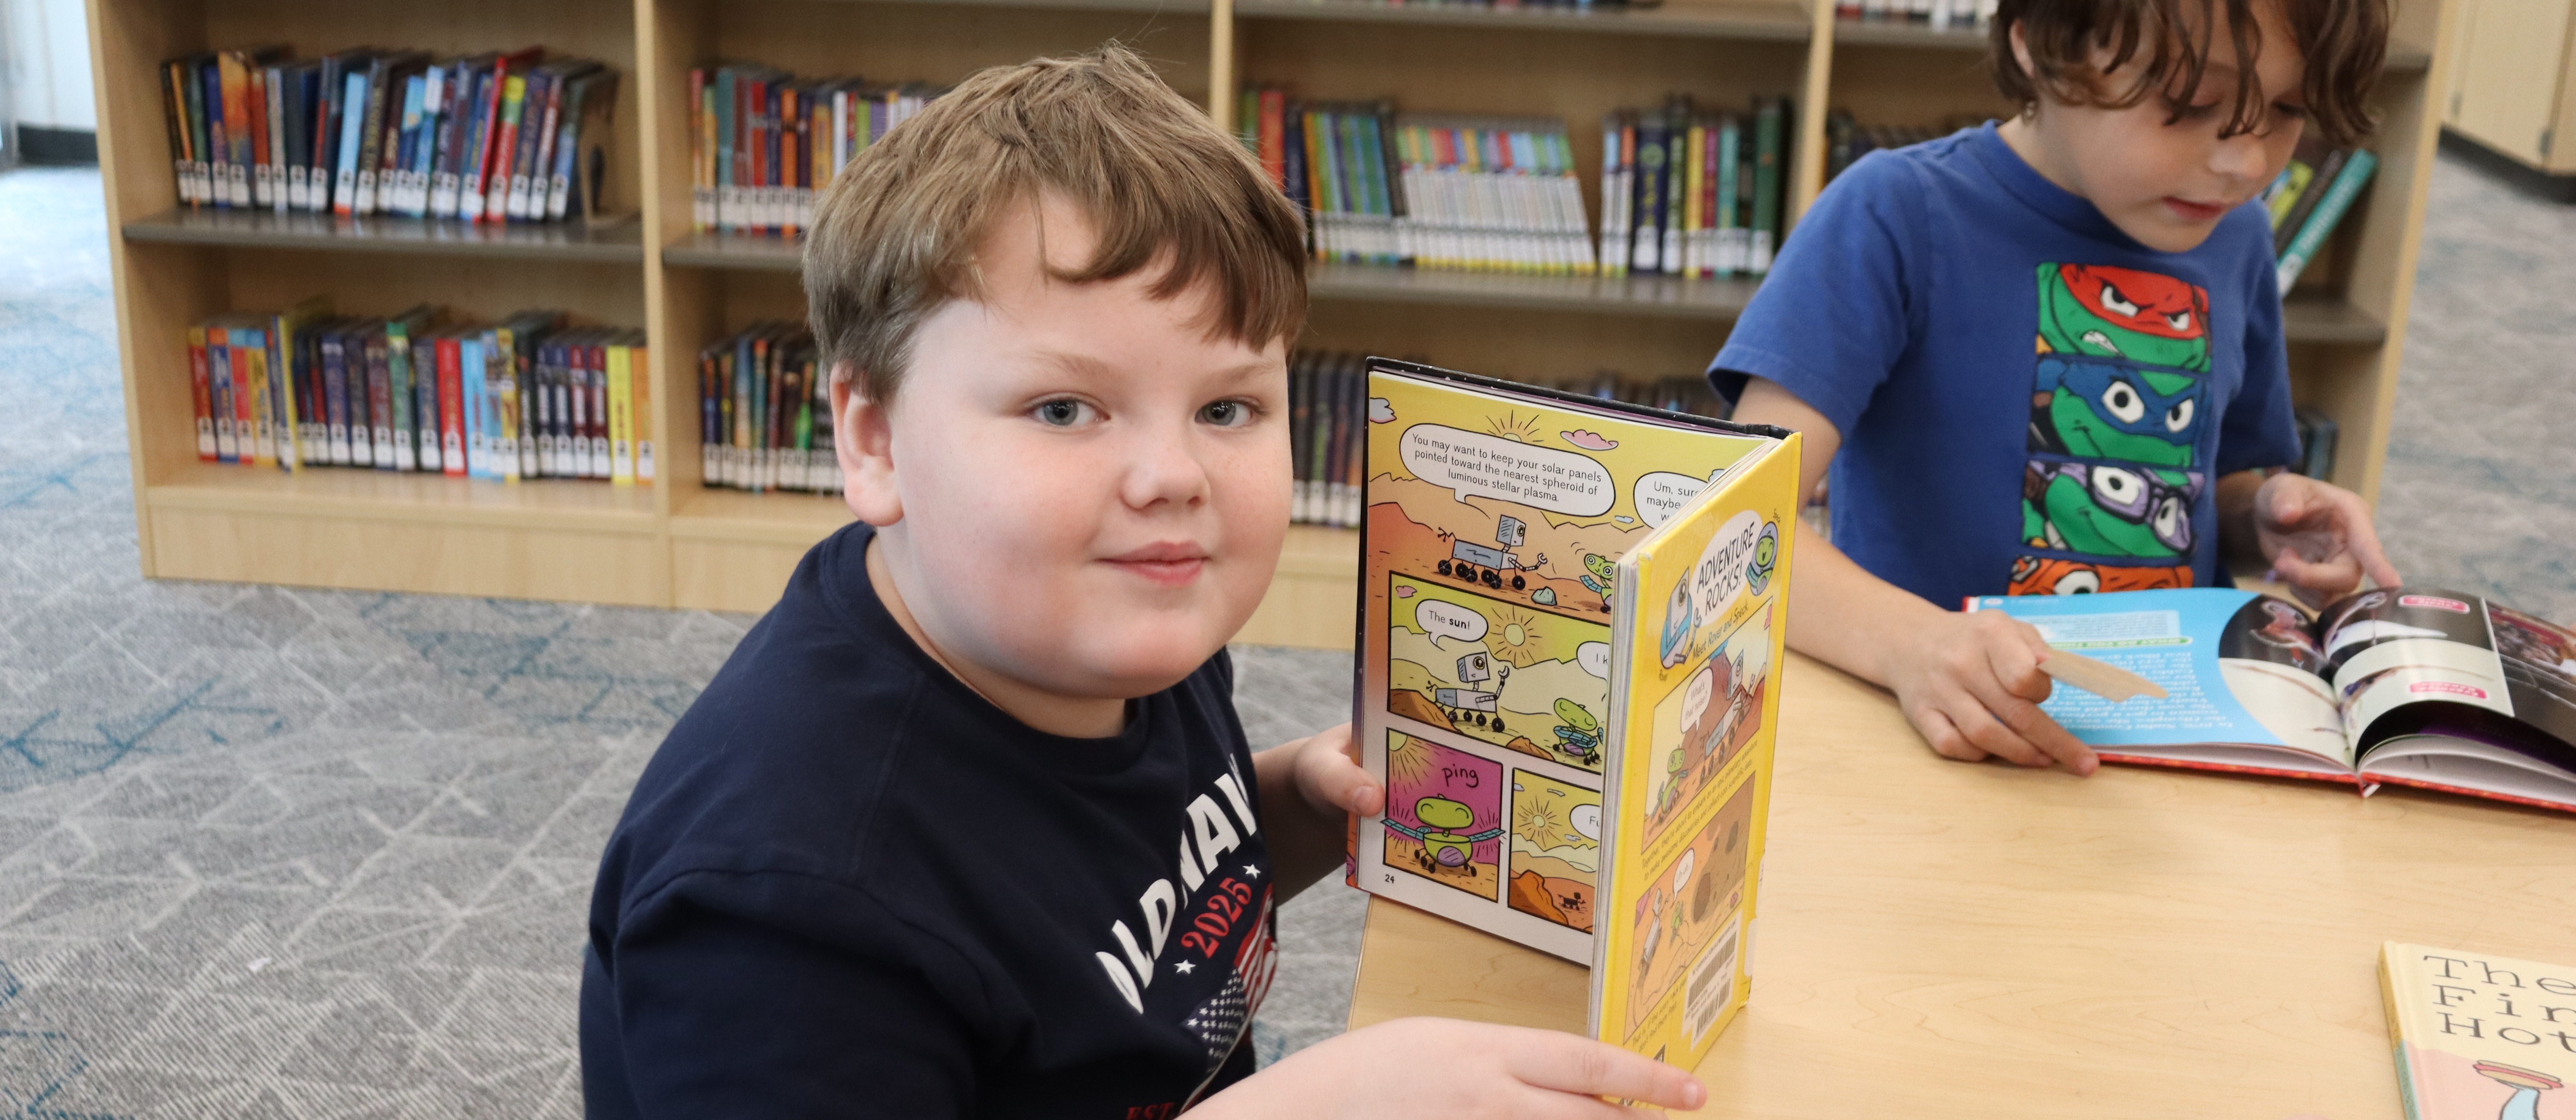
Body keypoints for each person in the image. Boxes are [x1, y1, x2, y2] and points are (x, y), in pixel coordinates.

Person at [579, 46, 1705, 1119]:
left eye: (1227, 409)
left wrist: (1301, 803)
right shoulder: (791, 912)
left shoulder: (1093, 620)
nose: (1174, 478)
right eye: (1064, 410)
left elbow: (1111, 878)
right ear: (874, 444)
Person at [1711, 0, 2403, 773]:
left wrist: (2263, 520)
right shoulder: (1896, 214)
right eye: (2191, 105)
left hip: (2172, 751)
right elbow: (1737, 528)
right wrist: (1915, 646)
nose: (2244, 164)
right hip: (1937, 744)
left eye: (2286, 111)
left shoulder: (2233, 237)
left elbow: (2202, 495)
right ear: (2043, 46)